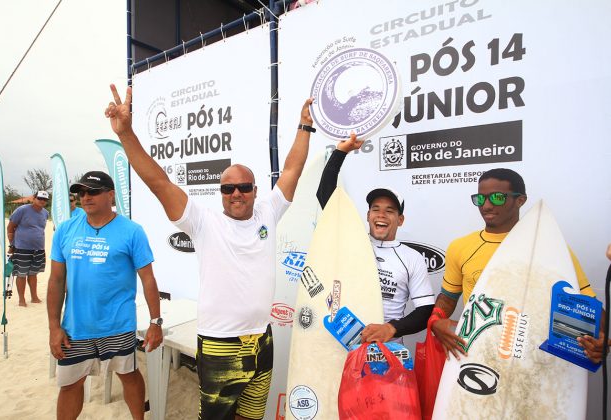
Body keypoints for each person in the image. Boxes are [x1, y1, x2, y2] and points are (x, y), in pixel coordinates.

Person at [105, 84, 312, 420]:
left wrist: (304, 126)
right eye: (228, 188)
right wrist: (126, 133)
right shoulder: (202, 221)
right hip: (219, 345)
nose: (236, 193)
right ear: (220, 192)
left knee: (252, 417)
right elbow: (158, 181)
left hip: (262, 340)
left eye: (244, 187)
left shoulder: (268, 211)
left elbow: (292, 170)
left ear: (255, 190)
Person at [430, 168, 600, 361]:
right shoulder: (460, 247)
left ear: (520, 200)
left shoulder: (553, 249)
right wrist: (435, 320)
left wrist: (599, 339)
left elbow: (587, 307)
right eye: (480, 198)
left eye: (497, 198)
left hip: (532, 358)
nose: (486, 206)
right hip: (477, 354)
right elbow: (448, 297)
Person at [47, 171, 163, 420]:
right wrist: (54, 326)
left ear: (111, 195)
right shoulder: (66, 230)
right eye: (81, 193)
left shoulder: (132, 231)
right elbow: (56, 281)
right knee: (69, 385)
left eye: (93, 191)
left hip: (118, 324)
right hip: (76, 327)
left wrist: (155, 322)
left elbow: (148, 278)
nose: (85, 197)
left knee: (129, 377)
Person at [316, 134, 435, 343]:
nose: (381, 215)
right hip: (343, 345)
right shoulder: (352, 240)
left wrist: (391, 328)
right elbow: (325, 195)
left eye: (389, 211)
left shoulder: (412, 258)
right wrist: (341, 152)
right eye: (375, 209)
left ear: (400, 220)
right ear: (368, 215)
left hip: (386, 353)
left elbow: (425, 311)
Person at [7, 190, 49, 306]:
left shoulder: (46, 213)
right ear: (34, 198)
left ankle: (34, 297)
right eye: (40, 198)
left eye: (45, 199)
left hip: (39, 249)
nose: (42, 201)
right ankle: (21, 300)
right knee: (21, 274)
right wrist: (12, 245)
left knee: (33, 274)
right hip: (21, 248)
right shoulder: (22, 210)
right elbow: (10, 228)